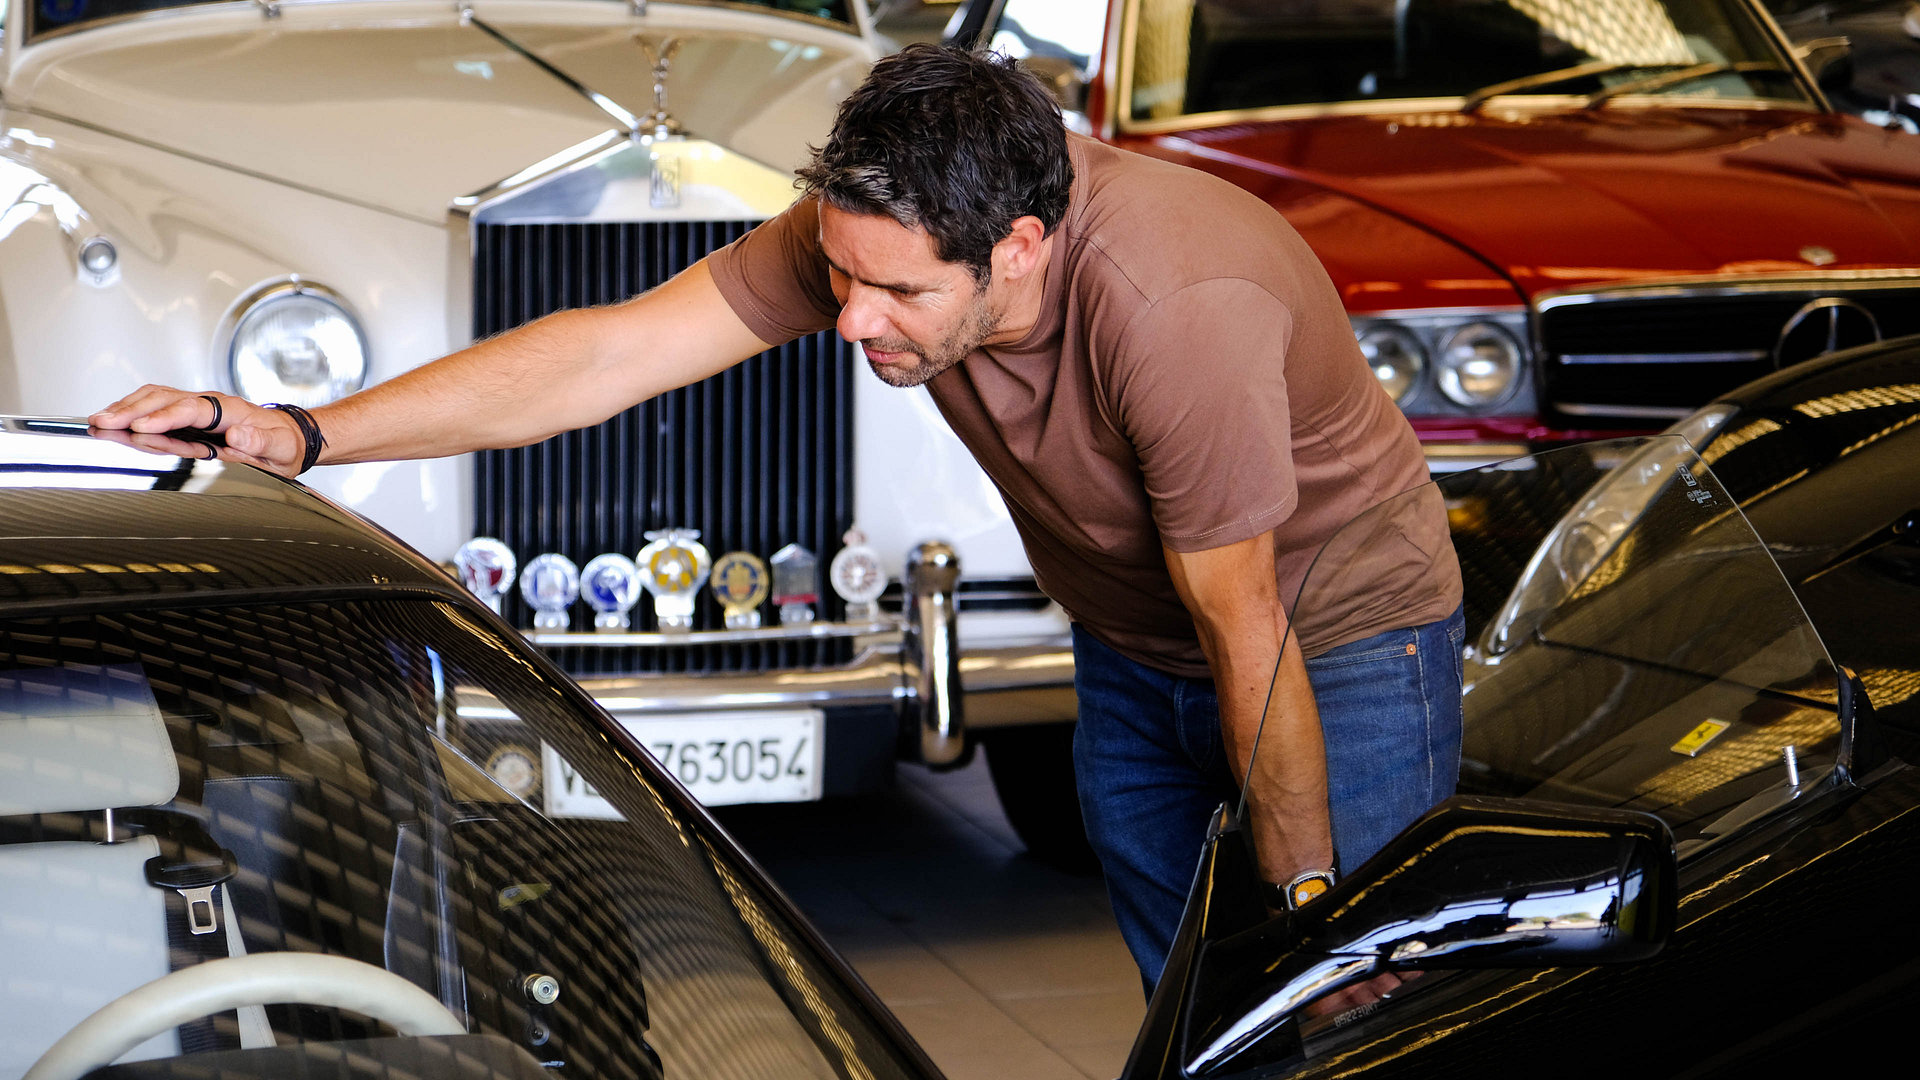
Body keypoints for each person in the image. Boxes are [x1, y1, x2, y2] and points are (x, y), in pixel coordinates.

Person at [91, 44, 1462, 991]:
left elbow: (1252, 630)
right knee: (1191, 1004)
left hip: (1333, 647)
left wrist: (1315, 928)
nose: (853, 322)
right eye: (839, 279)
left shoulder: (1175, 308)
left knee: (1347, 1002)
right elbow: (607, 355)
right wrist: (305, 432)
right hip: (1132, 638)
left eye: (900, 299)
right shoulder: (887, 234)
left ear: (1023, 251)